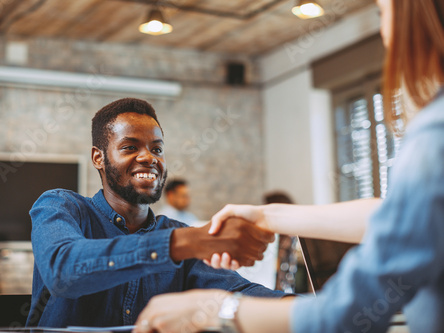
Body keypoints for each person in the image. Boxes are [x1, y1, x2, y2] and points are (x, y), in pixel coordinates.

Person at [134, 0, 444, 332]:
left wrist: (216, 310)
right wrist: (268, 215)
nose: (384, 31)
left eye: (383, 14)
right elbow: (400, 218)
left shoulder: (433, 135)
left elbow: (347, 312)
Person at [26, 98, 286, 328]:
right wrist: (187, 242)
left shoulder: (175, 232)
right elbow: (63, 270)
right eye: (130, 147)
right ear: (98, 158)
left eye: (157, 149)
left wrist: (315, 309)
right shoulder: (60, 206)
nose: (149, 157)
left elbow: (239, 291)